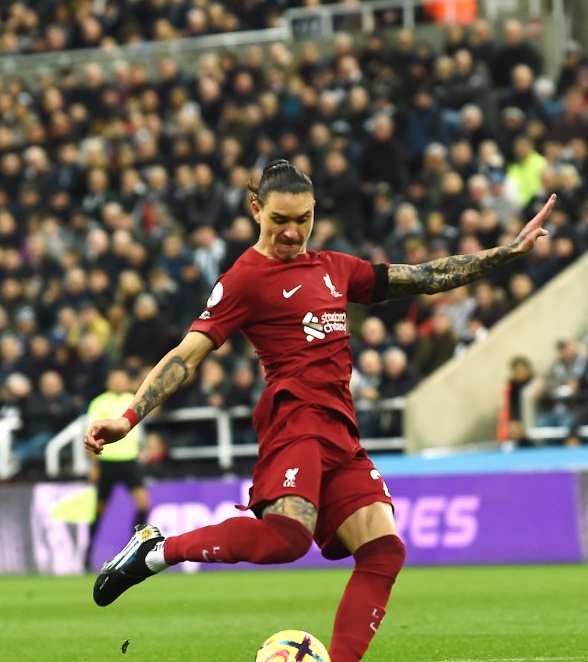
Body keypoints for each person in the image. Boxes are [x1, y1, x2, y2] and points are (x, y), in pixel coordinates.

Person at [84, 160, 557, 662]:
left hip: (341, 429)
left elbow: (424, 276)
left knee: (384, 549)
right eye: (279, 221)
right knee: (287, 539)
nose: (292, 232)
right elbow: (188, 354)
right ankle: (156, 551)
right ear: (255, 210)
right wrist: (129, 417)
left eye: (303, 220)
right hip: (295, 420)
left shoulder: (334, 268)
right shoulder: (244, 279)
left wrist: (504, 254)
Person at [84, 370, 150, 572]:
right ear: (108, 382)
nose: (120, 382)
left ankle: (134, 549)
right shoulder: (99, 402)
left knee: (143, 505)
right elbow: (91, 434)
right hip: (108, 462)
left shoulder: (133, 399)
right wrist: (94, 464)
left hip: (130, 461)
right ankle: (87, 553)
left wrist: (143, 449)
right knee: (99, 511)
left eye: (123, 379)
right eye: (116, 379)